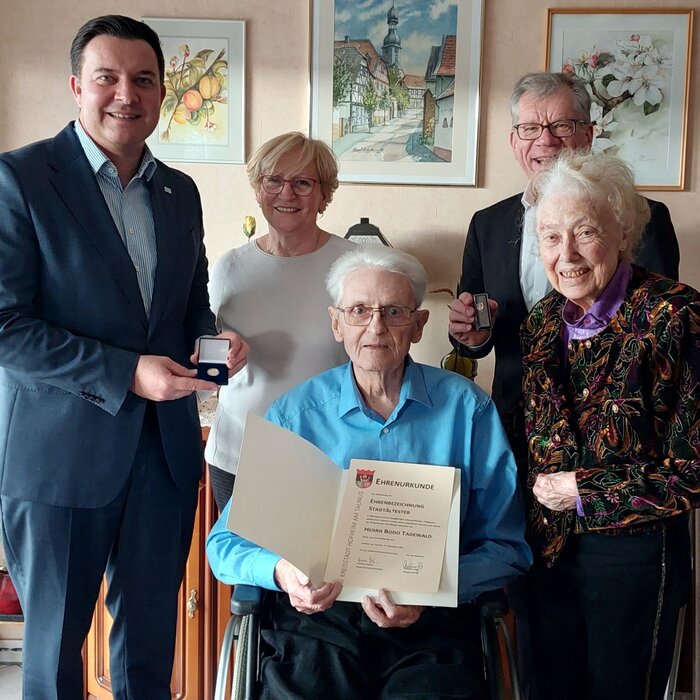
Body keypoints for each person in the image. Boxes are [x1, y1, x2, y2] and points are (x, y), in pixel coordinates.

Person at [0, 15, 248, 699]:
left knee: (148, 654)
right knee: (53, 661)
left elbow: (188, 307)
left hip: (161, 458)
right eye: (107, 78)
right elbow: (6, 327)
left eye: (143, 80)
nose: (124, 95)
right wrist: (123, 370)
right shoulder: (20, 179)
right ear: (77, 87)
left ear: (163, 94)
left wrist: (213, 349)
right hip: (56, 462)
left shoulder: (179, 192)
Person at [207, 246, 531, 699]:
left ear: (418, 326)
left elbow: (507, 546)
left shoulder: (467, 411)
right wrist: (281, 572)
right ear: (337, 323)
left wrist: (435, 589)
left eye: (393, 312)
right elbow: (224, 544)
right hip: (317, 621)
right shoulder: (295, 415)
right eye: (359, 311)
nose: (375, 327)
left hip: (429, 622)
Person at [520, 150, 700, 700]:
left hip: (634, 557)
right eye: (550, 237)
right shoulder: (543, 320)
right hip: (547, 554)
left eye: (585, 232)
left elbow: (693, 471)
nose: (566, 254)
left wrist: (586, 490)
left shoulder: (674, 315)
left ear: (623, 232)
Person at [448, 71, 679, 463]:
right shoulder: (486, 224)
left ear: (588, 135)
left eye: (561, 125)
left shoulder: (642, 218)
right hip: (515, 430)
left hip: (617, 439)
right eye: (530, 127)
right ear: (513, 141)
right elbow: (476, 332)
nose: (545, 140)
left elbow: (665, 336)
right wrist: (470, 337)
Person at [205, 131, 355, 512]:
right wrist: (215, 357)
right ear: (258, 190)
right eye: (274, 180)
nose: (286, 194)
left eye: (303, 183)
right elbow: (207, 367)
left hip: (328, 457)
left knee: (320, 573)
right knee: (246, 573)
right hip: (239, 456)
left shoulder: (355, 267)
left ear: (325, 195)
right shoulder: (229, 268)